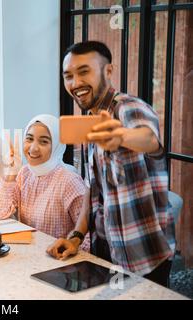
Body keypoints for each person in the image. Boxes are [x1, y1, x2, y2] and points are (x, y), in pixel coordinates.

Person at [46, 41, 175, 287]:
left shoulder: (128, 107)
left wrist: (122, 137)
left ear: (108, 71)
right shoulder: (93, 121)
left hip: (144, 255)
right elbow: (93, 188)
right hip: (107, 253)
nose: (75, 83)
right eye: (68, 76)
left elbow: (148, 138)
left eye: (84, 72)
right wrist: (75, 236)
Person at [0, 114, 89, 250]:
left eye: (44, 142)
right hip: (31, 256)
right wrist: (10, 175)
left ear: (57, 146)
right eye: (29, 139)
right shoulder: (25, 173)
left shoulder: (69, 181)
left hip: (58, 260)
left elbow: (87, 236)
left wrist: (68, 248)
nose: (33, 148)